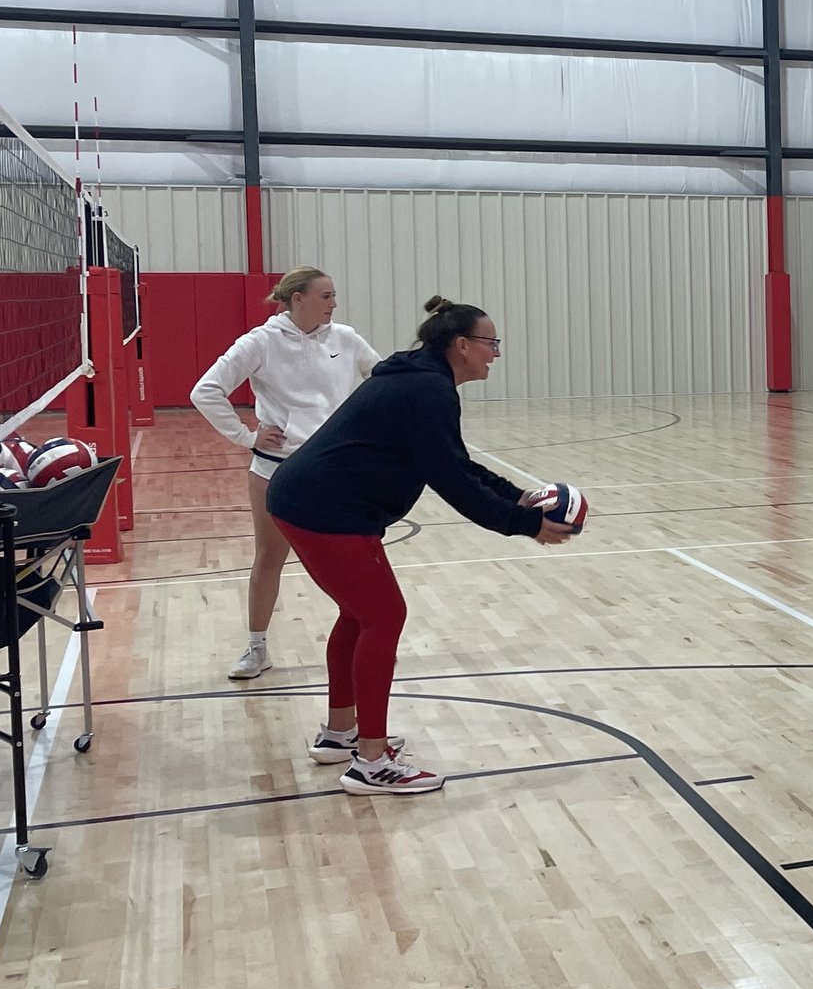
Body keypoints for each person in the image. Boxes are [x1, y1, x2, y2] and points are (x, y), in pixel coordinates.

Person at [265, 296, 577, 794]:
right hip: (327, 509)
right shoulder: (427, 389)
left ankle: (341, 733)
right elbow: (450, 480)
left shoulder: (421, 379)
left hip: (307, 499)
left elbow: (454, 462)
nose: (496, 353)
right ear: (462, 345)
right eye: (491, 343)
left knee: (359, 614)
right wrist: (524, 524)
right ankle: (371, 763)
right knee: (384, 616)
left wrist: (516, 496)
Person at [191, 268, 381, 681]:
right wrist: (246, 436)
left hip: (334, 469)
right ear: (298, 299)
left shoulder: (345, 338)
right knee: (269, 558)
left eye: (334, 295)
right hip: (276, 470)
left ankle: (367, 639)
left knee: (353, 559)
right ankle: (256, 648)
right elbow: (205, 390)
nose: (334, 303)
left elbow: (382, 378)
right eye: (326, 296)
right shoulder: (260, 342)